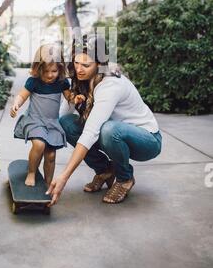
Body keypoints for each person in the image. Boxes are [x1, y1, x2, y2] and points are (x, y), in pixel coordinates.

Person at [46, 34, 162, 205]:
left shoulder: (110, 84)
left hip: (147, 140)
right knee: (66, 124)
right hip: (113, 134)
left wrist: (64, 177)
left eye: (86, 65)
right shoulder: (80, 78)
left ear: (99, 64)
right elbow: (64, 115)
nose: (79, 69)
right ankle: (105, 170)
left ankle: (125, 179)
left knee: (109, 130)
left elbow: (91, 132)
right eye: (76, 63)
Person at [10, 43, 85, 187]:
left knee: (50, 155)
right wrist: (16, 104)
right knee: (39, 145)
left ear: (60, 69)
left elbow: (69, 96)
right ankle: (32, 172)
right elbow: (22, 95)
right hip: (35, 120)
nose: (50, 75)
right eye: (46, 71)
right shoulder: (34, 82)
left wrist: (75, 99)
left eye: (54, 71)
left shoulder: (61, 82)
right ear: (38, 69)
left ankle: (47, 183)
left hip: (52, 123)